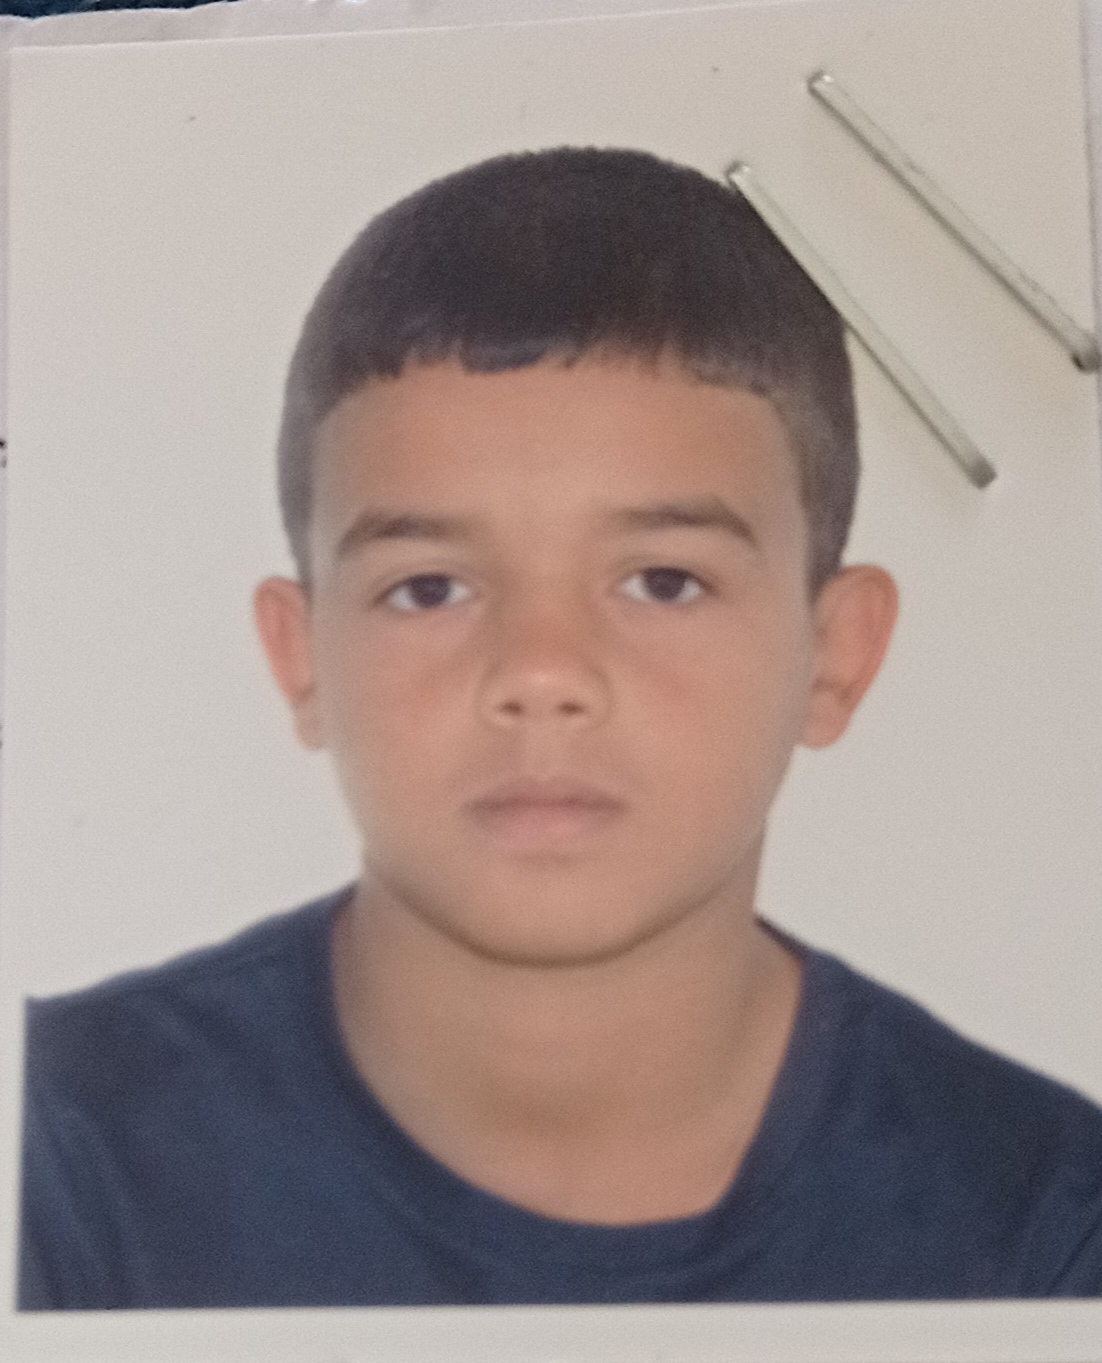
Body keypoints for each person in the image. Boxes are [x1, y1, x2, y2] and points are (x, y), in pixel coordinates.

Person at [18, 147, 1102, 1310]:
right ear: (301, 657)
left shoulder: (1045, 1231)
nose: (541, 673)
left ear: (834, 654)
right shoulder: (54, 1160)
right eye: (429, 588)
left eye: (663, 582)